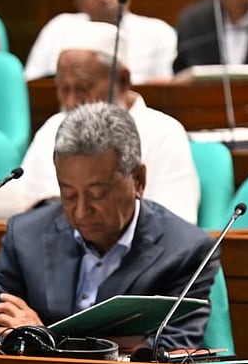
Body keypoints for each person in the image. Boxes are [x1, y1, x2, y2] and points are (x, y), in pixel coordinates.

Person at [0, 102, 217, 351]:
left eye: (99, 194)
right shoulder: (25, 236)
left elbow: (168, 350)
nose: (81, 211)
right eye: (69, 194)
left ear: (138, 180)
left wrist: (46, 338)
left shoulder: (187, 251)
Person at [17, 22, 199, 224]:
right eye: (63, 88)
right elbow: (21, 201)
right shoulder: (54, 126)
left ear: (122, 80)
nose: (70, 102)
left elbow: (176, 224)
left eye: (82, 88)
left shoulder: (164, 132)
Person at [24, 0, 176, 83]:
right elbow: (32, 82)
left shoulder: (158, 32)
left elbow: (166, 88)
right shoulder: (59, 28)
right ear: (77, 1)